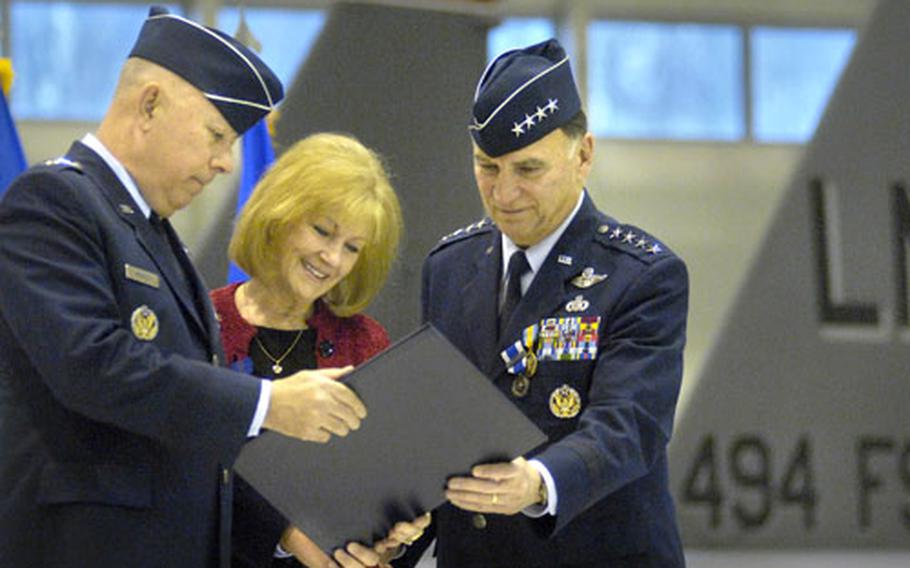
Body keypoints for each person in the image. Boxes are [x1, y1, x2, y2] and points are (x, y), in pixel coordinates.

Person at [0, 8, 369, 568]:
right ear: (150, 105)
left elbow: (194, 437)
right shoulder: (53, 204)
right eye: (217, 136)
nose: (226, 163)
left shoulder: (152, 235)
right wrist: (268, 402)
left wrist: (290, 530)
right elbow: (93, 365)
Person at [409, 39, 689, 567]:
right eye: (487, 167)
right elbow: (437, 428)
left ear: (583, 155)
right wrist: (390, 534)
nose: (504, 194)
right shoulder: (448, 267)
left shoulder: (642, 276)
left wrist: (537, 482)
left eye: (529, 170)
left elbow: (629, 426)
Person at [211, 132, 427, 568]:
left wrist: (394, 537)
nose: (331, 258)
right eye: (322, 230)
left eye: (351, 247)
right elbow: (183, 477)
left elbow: (382, 488)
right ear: (279, 214)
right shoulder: (202, 325)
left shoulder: (364, 342)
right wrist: (285, 535)